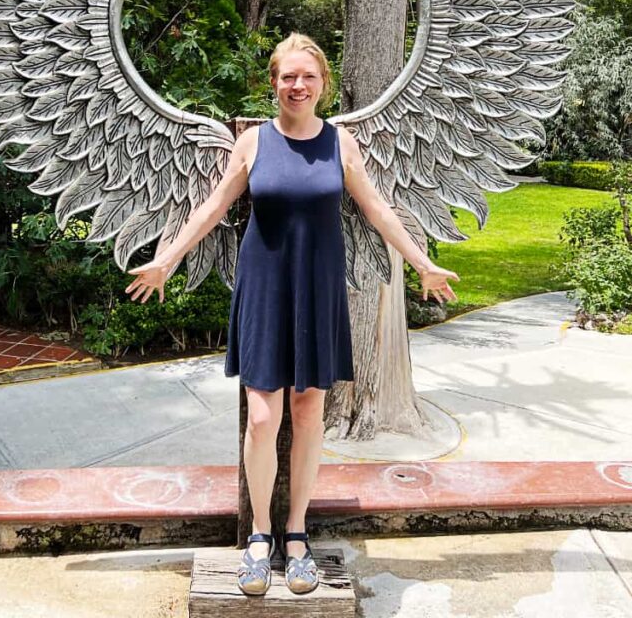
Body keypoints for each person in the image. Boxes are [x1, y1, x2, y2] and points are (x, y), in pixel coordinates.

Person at [125, 32, 459, 596]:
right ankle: (260, 538)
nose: (296, 85)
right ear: (274, 82)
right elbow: (213, 206)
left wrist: (423, 264)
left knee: (309, 414)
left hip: (318, 287)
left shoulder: (341, 143)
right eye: (287, 76)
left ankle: (297, 536)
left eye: (307, 76)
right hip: (264, 287)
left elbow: (378, 210)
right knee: (262, 417)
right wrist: (165, 259)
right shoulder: (253, 142)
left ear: (322, 84)